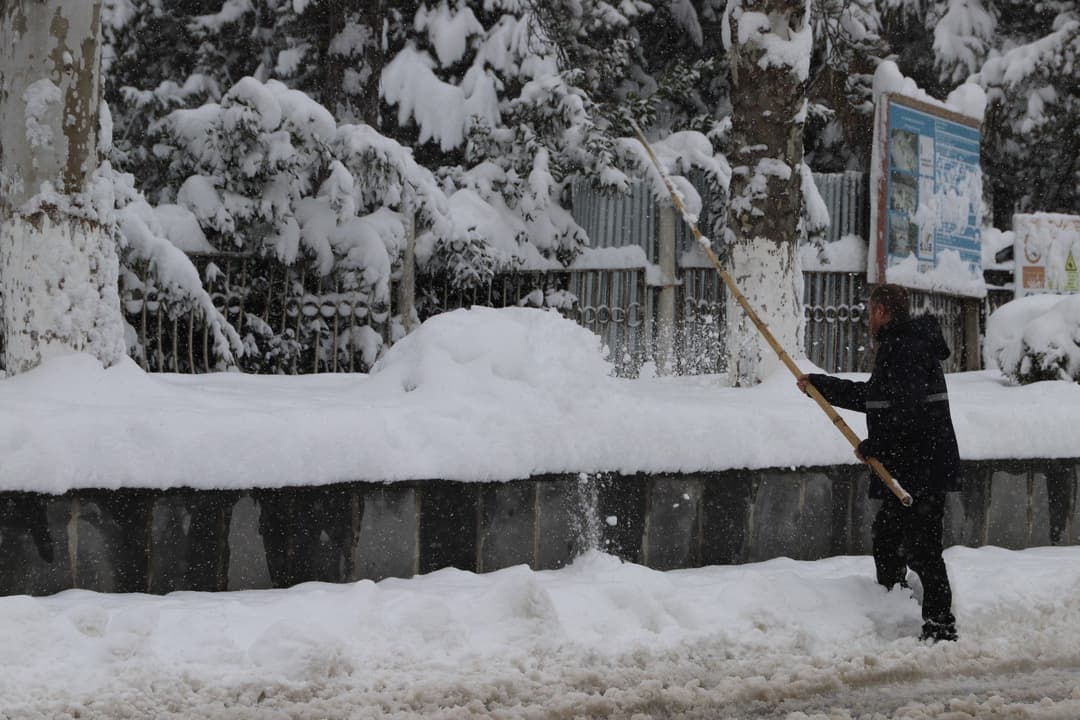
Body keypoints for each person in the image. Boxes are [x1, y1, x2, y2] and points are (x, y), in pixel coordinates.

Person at [797, 283, 961, 642]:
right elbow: (878, 398)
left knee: (922, 549)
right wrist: (821, 387)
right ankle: (896, 605)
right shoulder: (901, 345)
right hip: (912, 465)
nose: (868, 319)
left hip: (920, 467)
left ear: (883, 312)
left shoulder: (904, 348)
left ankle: (940, 627)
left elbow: (907, 411)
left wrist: (877, 447)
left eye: (871, 311)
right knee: (889, 538)